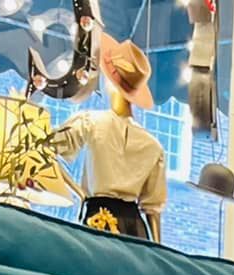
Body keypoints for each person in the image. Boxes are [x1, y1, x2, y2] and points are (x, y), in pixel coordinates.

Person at [49, 38, 167, 242]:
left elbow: (45, 149)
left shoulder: (91, 122)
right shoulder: (153, 146)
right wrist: (159, 252)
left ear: (110, 83)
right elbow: (153, 210)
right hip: (135, 229)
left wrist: (79, 193)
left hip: (99, 219)